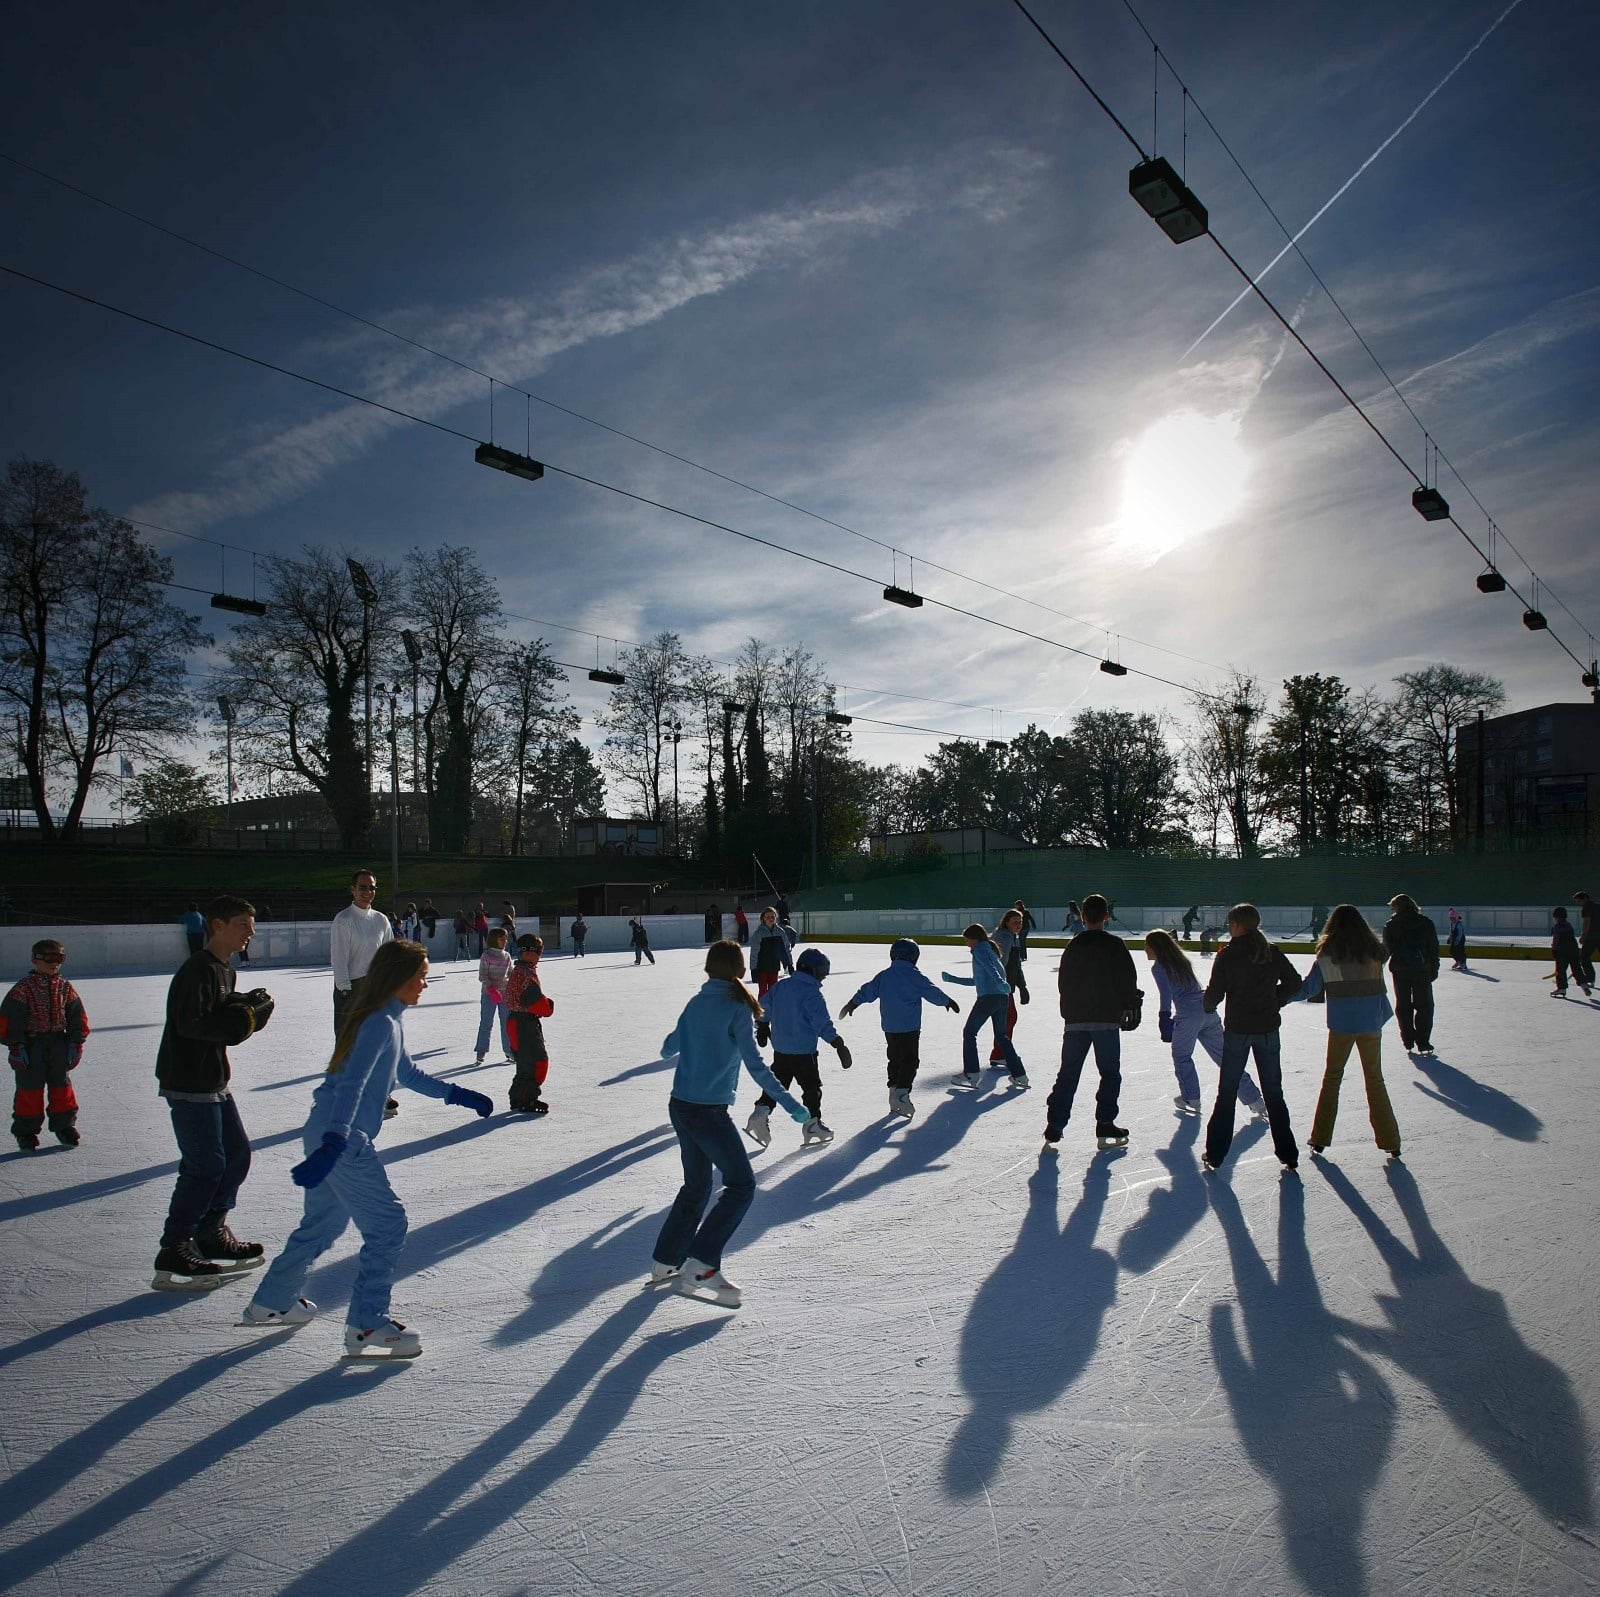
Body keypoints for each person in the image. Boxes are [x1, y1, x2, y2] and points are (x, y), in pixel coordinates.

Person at [241, 940, 492, 1352]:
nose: (425, 984)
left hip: (325, 1131)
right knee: (388, 1226)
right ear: (397, 977)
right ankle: (366, 1324)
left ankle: (271, 1301)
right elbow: (354, 1082)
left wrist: (457, 1094)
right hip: (342, 1138)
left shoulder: (386, 1020)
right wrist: (337, 1138)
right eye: (421, 976)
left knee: (322, 1225)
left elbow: (406, 1074)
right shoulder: (379, 1023)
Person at [650, 940, 811, 1307]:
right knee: (741, 1185)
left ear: (709, 969)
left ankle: (665, 1261)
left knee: (697, 1186)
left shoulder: (696, 1003)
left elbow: (670, 1045)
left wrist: (676, 1043)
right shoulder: (736, 1007)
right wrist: (791, 1105)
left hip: (681, 1106)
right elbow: (756, 1066)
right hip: (707, 1112)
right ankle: (702, 1264)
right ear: (740, 970)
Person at [152, 895, 276, 1289]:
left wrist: (240, 1008)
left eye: (251, 926)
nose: (250, 933)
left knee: (236, 1154)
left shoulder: (224, 971)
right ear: (217, 925)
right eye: (242, 924)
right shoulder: (198, 970)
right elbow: (191, 1024)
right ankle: (175, 1245)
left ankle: (210, 1232)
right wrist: (240, 1020)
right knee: (204, 1166)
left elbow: (217, 1016)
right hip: (190, 1081)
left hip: (213, 1080)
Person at [1290, 905, 1400, 1159]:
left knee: (1332, 1078)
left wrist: (1279, 997)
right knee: (1375, 1079)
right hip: (1371, 1021)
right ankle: (1391, 1141)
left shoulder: (1327, 955)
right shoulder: (1375, 953)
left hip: (1342, 1024)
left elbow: (1309, 988)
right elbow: (1384, 955)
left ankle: (1319, 1138)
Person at [1201, 903, 1302, 1174]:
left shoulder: (1228, 956)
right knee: (1274, 1093)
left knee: (1227, 1092)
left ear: (1236, 925)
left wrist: (1207, 1005)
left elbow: (1214, 994)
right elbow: (1295, 983)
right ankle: (1288, 1154)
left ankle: (1215, 1154)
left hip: (1238, 1031)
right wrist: (1274, 1000)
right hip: (1267, 1029)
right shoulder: (1271, 953)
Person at [1041, 894, 1137, 1147]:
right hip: (1106, 1020)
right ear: (1106, 916)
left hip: (1076, 1021)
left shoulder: (1073, 947)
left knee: (1068, 1074)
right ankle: (1105, 1122)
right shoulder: (1115, 945)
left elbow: (1064, 983)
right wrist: (1128, 1005)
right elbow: (1127, 980)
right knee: (1109, 1074)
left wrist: (1070, 1013)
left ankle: (1055, 1125)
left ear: (1082, 917)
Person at [1144, 929, 1265, 1121]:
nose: (1145, 950)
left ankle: (1191, 1098)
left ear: (1155, 947)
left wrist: (1164, 1017)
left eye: (1147, 946)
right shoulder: (1181, 961)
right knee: (1226, 1058)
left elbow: (1165, 994)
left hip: (1188, 1017)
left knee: (1181, 1056)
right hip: (1207, 1011)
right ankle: (1255, 1100)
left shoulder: (1159, 967)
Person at [839, 937, 960, 1118]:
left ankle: (894, 1091)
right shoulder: (915, 976)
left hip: (890, 1027)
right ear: (913, 957)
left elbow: (867, 991)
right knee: (910, 1060)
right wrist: (947, 1001)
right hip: (910, 1027)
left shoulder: (884, 976)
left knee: (894, 1059)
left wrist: (852, 1003)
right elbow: (931, 991)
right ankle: (902, 1092)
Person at [746, 947, 852, 1147]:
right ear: (813, 971)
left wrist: (762, 1026)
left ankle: (760, 1113)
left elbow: (763, 1007)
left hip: (781, 1051)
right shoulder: (812, 994)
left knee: (777, 1086)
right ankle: (812, 1124)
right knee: (811, 1088)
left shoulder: (781, 986)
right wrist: (838, 1043)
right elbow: (821, 1023)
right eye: (821, 974)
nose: (822, 979)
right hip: (804, 1053)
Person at [4, 938, 89, 1150]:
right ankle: (26, 1130)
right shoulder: (23, 988)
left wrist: (75, 1043)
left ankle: (64, 1125)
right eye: (50, 958)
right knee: (29, 1089)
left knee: (62, 1087)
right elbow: (9, 1019)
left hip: (58, 1042)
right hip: (32, 1045)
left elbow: (78, 1017)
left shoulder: (65, 987)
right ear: (36, 960)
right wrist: (16, 1046)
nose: (55, 963)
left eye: (59, 958)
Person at [332, 868, 398, 1118]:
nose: (367, 892)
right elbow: (338, 957)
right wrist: (345, 989)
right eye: (362, 887)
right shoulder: (344, 919)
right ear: (352, 889)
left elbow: (389, 953)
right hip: (351, 987)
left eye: (371, 887)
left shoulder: (381, 919)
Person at [943, 922, 1027, 1089]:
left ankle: (971, 1074)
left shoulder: (980, 950)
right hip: (1002, 998)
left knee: (969, 1033)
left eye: (967, 940)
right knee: (1002, 1036)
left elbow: (991, 971)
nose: (966, 944)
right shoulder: (990, 951)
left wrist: (999, 982)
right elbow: (978, 980)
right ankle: (1020, 1075)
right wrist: (952, 979)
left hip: (988, 998)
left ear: (974, 938)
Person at [1381, 893, 1440, 1054]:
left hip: (1400, 970)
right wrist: (1434, 967)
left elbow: (1386, 950)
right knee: (1425, 1006)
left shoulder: (1392, 925)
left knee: (1403, 1005)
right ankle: (1423, 1041)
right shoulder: (1426, 923)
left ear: (1397, 907)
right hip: (1422, 969)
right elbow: (1433, 948)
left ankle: (1408, 1039)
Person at [506, 934, 557, 1113]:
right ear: (528, 953)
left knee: (525, 1063)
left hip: (514, 1022)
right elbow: (534, 1001)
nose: (540, 955)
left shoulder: (518, 971)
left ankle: (519, 1097)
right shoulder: (526, 974)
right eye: (539, 951)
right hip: (524, 1024)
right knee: (537, 1062)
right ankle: (527, 1098)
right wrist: (548, 1006)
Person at [989, 908, 1030, 1063]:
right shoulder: (1004, 937)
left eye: (1020, 922)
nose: (1018, 925)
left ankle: (999, 1053)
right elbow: (999, 963)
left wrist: (1022, 986)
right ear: (1007, 922)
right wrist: (1001, 984)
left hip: (1006, 985)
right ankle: (1000, 1054)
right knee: (1008, 1017)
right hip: (1001, 986)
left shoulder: (1013, 936)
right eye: (1015, 922)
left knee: (1007, 1018)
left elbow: (1016, 965)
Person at [475, 927, 514, 1063]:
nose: (505, 941)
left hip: (505, 995)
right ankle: (481, 1051)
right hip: (488, 995)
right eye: (501, 939)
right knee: (486, 1023)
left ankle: (509, 1050)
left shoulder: (507, 956)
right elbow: (482, 976)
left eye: (506, 939)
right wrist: (492, 990)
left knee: (506, 1023)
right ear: (493, 940)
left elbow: (510, 974)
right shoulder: (487, 955)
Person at [750, 906, 792, 998]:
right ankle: (761, 1011)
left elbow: (785, 948)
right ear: (763, 918)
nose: (770, 919)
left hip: (774, 967)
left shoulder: (780, 932)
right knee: (763, 992)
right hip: (762, 968)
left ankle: (773, 1011)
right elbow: (754, 952)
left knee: (774, 992)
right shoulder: (759, 933)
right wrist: (753, 969)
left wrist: (789, 963)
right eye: (768, 917)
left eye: (773, 917)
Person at [1551, 907, 1591, 997]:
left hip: (1562, 951)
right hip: (1573, 949)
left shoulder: (1557, 927)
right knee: (1577, 969)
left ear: (1556, 916)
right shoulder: (1568, 925)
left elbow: (1556, 940)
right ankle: (1584, 984)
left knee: (1560, 970)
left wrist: (1554, 950)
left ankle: (1562, 988)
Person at [1575, 891, 1597, 990]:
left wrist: (1583, 935)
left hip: (1592, 937)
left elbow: (1587, 921)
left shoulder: (1587, 908)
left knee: (1584, 957)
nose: (1579, 904)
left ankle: (1590, 978)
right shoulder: (1598, 906)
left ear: (1585, 898)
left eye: (1579, 901)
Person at [1446, 908, 1468, 972]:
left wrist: (1457, 941)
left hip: (1460, 939)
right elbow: (1451, 932)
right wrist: (1449, 938)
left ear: (1456, 917)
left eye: (1453, 918)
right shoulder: (1452, 924)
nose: (1451, 919)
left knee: (1460, 951)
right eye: (1450, 918)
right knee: (1452, 950)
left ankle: (1463, 964)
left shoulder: (1459, 924)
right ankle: (1458, 961)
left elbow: (1460, 934)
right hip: (1454, 938)